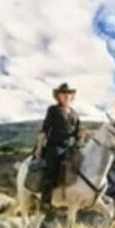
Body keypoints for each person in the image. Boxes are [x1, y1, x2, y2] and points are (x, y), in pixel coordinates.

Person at [37, 83, 81, 213]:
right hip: (55, 146)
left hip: (71, 147)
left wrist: (80, 135)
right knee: (51, 169)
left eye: (68, 94)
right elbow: (45, 128)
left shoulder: (75, 113)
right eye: (63, 94)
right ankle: (45, 202)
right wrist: (39, 147)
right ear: (58, 96)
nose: (66, 96)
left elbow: (78, 131)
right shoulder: (53, 110)